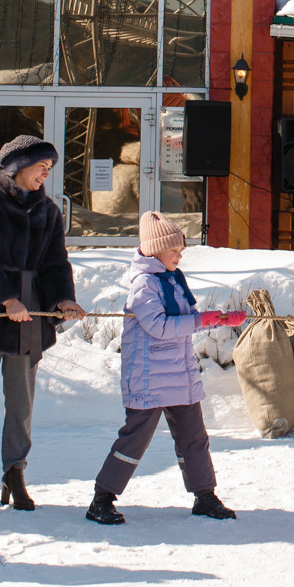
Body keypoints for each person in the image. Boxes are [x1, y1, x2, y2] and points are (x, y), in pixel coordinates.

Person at [0, 133, 86, 512]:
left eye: (49, 169)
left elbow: (55, 262)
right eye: (41, 166)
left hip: (30, 315)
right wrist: (5, 298)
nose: (46, 174)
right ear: (17, 166)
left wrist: (63, 298)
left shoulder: (49, 211)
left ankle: (15, 471)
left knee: (22, 401)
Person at [86, 212, 247, 525]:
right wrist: (203, 320)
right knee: (135, 440)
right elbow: (158, 327)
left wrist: (218, 318)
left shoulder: (173, 279)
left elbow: (185, 321)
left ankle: (205, 496)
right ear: (154, 250)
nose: (180, 253)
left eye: (181, 248)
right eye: (173, 249)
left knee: (194, 437)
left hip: (178, 375)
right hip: (149, 379)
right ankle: (102, 498)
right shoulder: (144, 285)